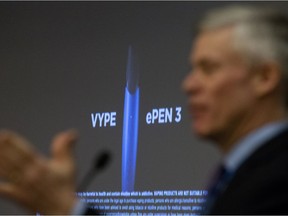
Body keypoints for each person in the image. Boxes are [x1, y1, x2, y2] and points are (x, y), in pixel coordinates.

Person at [1, 4, 288, 215]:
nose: (189, 85)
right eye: (192, 69)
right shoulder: (242, 176)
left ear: (265, 77)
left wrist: (67, 208)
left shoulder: (277, 179)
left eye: (208, 69)